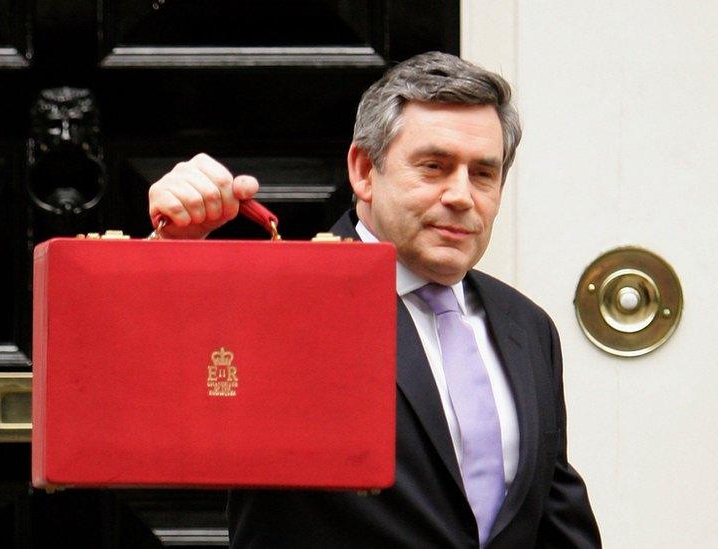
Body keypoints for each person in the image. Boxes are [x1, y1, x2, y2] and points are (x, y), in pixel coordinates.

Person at [147, 51, 600, 548]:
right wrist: (170, 256)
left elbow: (554, 516)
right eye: (434, 166)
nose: (461, 196)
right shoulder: (282, 299)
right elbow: (146, 392)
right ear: (364, 171)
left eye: (483, 174)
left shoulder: (527, 326)